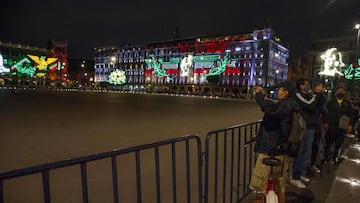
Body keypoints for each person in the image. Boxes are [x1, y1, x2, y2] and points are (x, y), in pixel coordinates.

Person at [249, 81, 300, 203]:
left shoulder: (286, 105)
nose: (278, 91)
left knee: (258, 185)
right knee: (280, 183)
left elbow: (269, 108)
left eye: (280, 89)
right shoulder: (292, 105)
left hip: (271, 149)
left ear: (286, 92)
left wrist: (259, 95)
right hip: (283, 150)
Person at [290, 78, 324, 188]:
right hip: (304, 128)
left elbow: (318, 104)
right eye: (307, 84)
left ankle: (298, 174)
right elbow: (309, 105)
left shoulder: (308, 96)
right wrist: (314, 94)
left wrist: (315, 95)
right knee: (301, 152)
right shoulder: (297, 95)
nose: (309, 86)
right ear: (301, 86)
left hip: (311, 127)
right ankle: (294, 176)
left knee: (305, 153)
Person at [322, 86, 354, 164]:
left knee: (339, 143)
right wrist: (325, 122)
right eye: (339, 91)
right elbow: (325, 113)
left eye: (342, 91)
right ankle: (325, 157)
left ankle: (335, 157)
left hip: (342, 126)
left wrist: (350, 125)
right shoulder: (330, 102)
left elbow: (351, 115)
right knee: (328, 143)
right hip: (332, 125)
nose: (341, 92)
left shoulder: (347, 103)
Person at [310, 81, 327, 173]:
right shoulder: (318, 96)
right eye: (320, 86)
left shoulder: (315, 96)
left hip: (315, 123)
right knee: (314, 145)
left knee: (315, 145)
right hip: (314, 124)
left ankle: (312, 164)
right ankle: (312, 164)